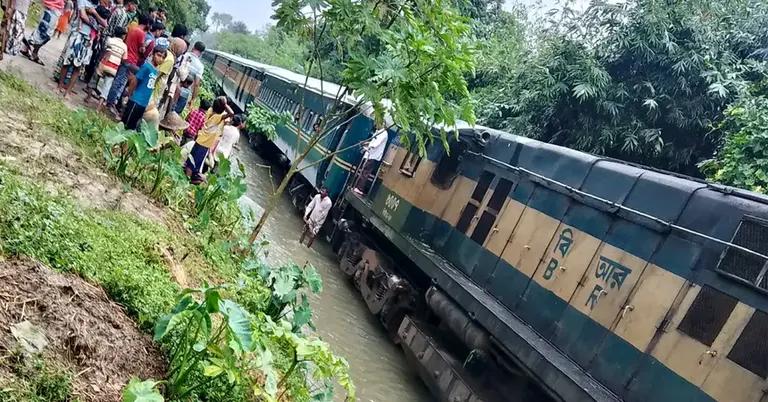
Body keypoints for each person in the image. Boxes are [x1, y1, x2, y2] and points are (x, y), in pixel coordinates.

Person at [55, 0, 106, 99]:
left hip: (88, 39)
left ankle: (68, 92)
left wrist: (94, 13)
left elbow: (104, 23)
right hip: (77, 34)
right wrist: (96, 25)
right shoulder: (83, 1)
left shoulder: (99, 6)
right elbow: (83, 15)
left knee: (78, 67)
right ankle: (59, 86)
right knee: (67, 62)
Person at [105, 12, 149, 115]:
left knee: (119, 80)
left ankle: (111, 101)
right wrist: (144, 48)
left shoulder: (131, 28)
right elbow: (141, 49)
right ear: (147, 23)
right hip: (131, 59)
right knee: (121, 82)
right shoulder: (141, 33)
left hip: (125, 55)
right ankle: (110, 103)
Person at [184, 96, 233, 184]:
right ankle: (186, 182)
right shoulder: (218, 117)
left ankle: (188, 179)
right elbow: (231, 113)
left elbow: (216, 106)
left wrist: (221, 102)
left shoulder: (210, 111)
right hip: (205, 144)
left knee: (191, 161)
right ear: (222, 109)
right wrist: (225, 104)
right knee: (193, 164)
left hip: (200, 139)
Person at [85, 26, 127, 112]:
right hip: (113, 68)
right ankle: (99, 107)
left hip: (104, 63)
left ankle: (88, 97)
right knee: (106, 87)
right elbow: (124, 59)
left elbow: (104, 50)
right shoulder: (124, 46)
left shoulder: (109, 40)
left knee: (94, 80)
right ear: (123, 36)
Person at [122, 47, 166, 130]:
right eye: (158, 55)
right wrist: (130, 95)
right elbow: (135, 80)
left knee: (133, 127)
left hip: (143, 104)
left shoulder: (156, 71)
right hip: (136, 100)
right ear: (153, 55)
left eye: (163, 57)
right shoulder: (147, 67)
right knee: (126, 124)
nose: (160, 59)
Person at [353, 123, 388, 195]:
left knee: (365, 172)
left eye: (378, 123)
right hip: (370, 154)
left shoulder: (383, 133)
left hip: (373, 156)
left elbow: (375, 144)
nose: (376, 125)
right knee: (363, 171)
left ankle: (360, 188)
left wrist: (367, 147)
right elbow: (373, 141)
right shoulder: (378, 131)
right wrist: (366, 143)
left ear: (383, 124)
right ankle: (357, 186)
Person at [183, 41, 205, 111]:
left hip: (174, 86)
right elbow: (196, 84)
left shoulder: (185, 55)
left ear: (193, 47)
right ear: (201, 53)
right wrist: (192, 99)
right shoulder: (200, 66)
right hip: (185, 92)